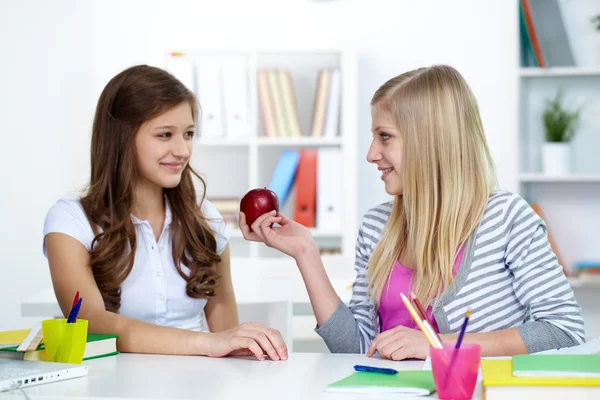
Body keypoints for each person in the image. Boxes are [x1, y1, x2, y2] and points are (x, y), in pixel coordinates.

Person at [239, 64, 585, 360]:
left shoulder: (507, 218)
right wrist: (305, 253)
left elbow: (563, 331)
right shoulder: (376, 226)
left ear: (429, 141)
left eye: (385, 137)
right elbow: (357, 349)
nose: (372, 154)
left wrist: (436, 346)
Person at [43, 65, 287, 361]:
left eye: (188, 134)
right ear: (121, 138)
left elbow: (226, 332)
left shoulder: (205, 219)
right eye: (165, 134)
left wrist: (244, 345)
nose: (183, 150)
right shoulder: (70, 222)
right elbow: (92, 322)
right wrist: (207, 343)